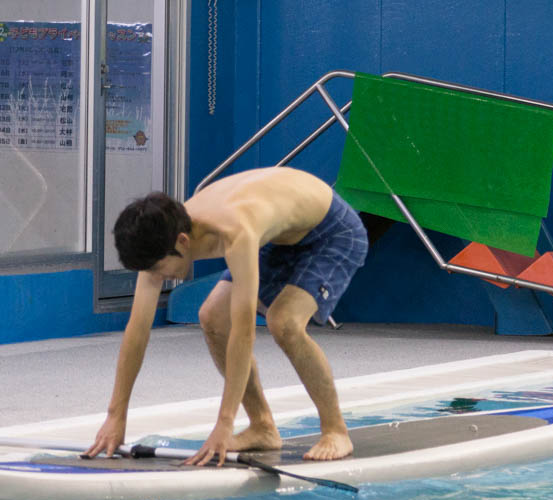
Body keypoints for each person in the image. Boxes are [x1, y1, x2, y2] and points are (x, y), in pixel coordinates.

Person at [84, 167, 368, 466]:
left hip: (332, 232)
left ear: (182, 242)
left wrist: (224, 423)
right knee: (212, 317)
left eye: (157, 269)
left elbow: (244, 332)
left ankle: (336, 430)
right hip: (281, 237)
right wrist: (116, 415)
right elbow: (137, 331)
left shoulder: (235, 231)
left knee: (284, 322)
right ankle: (262, 427)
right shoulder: (158, 240)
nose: (156, 276)